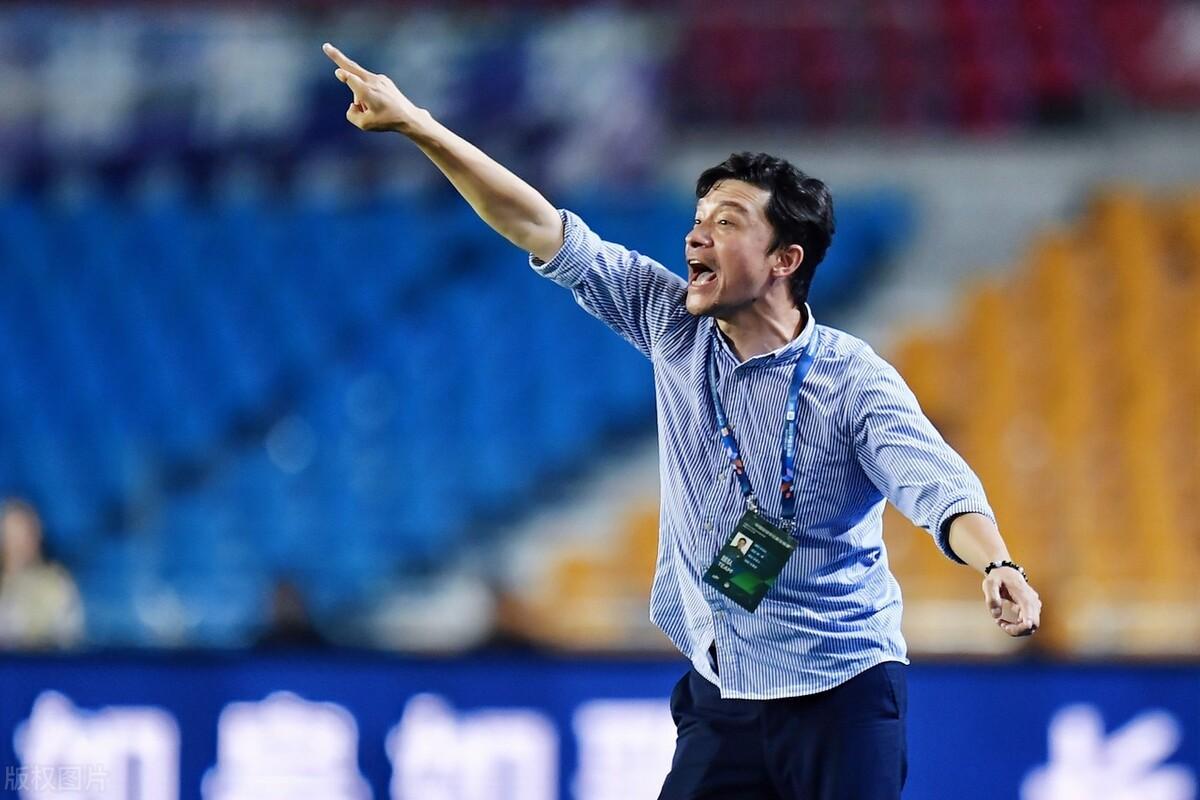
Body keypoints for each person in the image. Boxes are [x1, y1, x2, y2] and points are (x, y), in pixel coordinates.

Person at [322, 43, 1042, 800]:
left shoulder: (852, 380)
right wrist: (420, 126)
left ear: (784, 259)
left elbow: (937, 485)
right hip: (721, 692)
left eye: (727, 222)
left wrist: (998, 564)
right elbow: (538, 225)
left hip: (841, 692)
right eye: (698, 220)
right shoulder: (671, 322)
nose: (696, 236)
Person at [0, 498, 84, 649]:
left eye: (24, 534)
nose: (18, 544)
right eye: (12, 536)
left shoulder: (57, 584)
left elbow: (70, 640)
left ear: (37, 535)